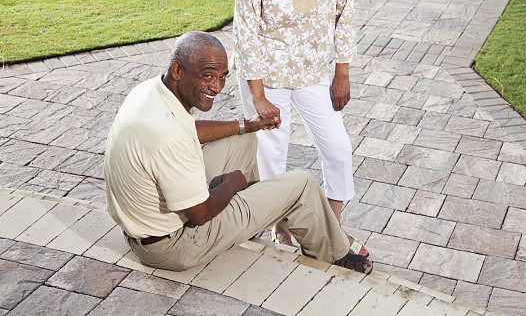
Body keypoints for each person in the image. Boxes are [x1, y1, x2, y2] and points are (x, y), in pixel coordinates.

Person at [104, 31, 371, 273]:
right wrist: (232, 184)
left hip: (143, 226)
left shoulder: (149, 92)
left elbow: (188, 130)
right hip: (173, 246)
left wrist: (246, 125)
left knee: (245, 140)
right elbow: (200, 214)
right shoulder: (169, 138)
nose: (217, 87)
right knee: (301, 183)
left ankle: (247, 222)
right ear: (177, 70)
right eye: (207, 75)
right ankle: (334, 254)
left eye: (222, 77)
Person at [233, 0, 364, 254]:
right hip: (267, 76)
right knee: (271, 155)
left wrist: (342, 71)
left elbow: (345, 12)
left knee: (338, 148)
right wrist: (257, 97)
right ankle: (279, 225)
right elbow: (246, 30)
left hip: (313, 73)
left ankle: (331, 226)